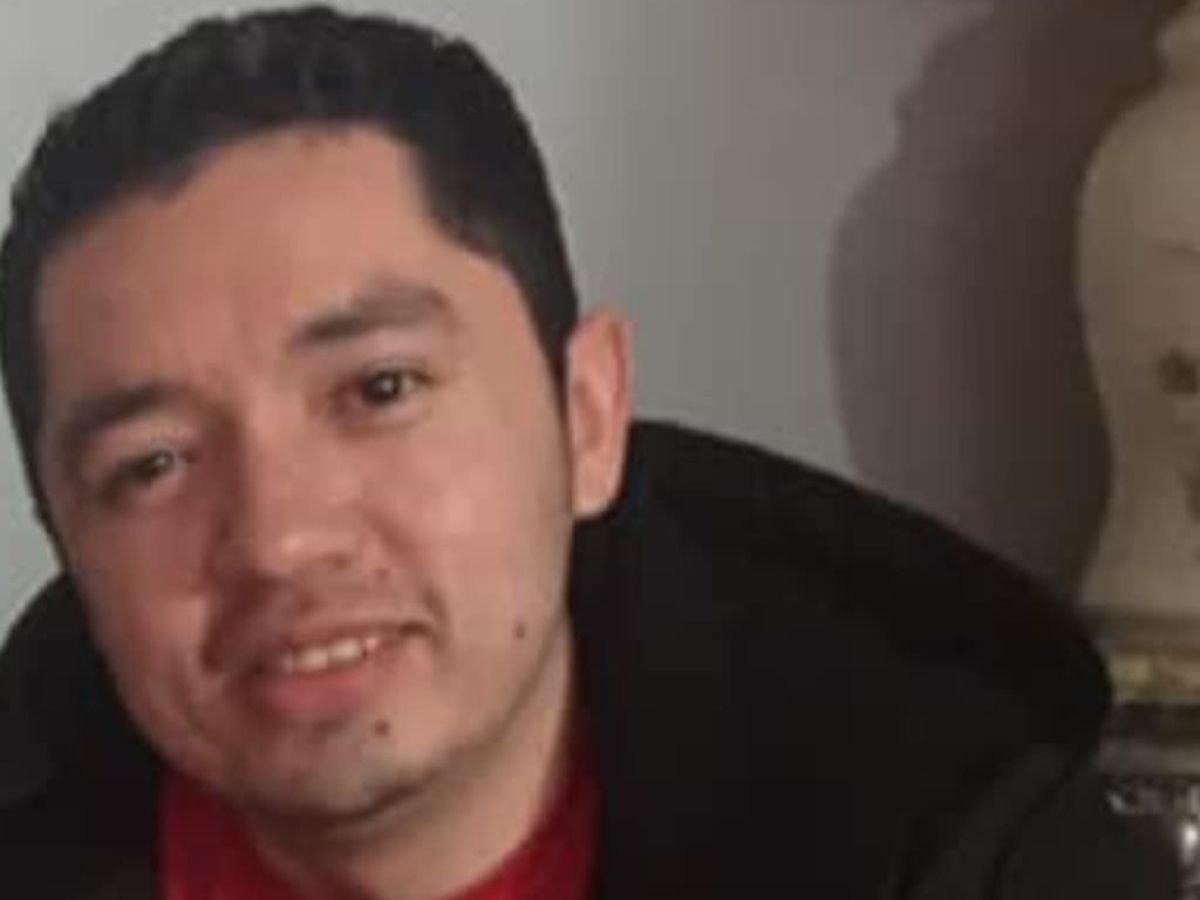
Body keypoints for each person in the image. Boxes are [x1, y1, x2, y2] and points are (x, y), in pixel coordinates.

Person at [0, 6, 1175, 899]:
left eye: (379, 389)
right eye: (152, 466)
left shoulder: (964, 855)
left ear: (589, 417)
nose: (279, 535)